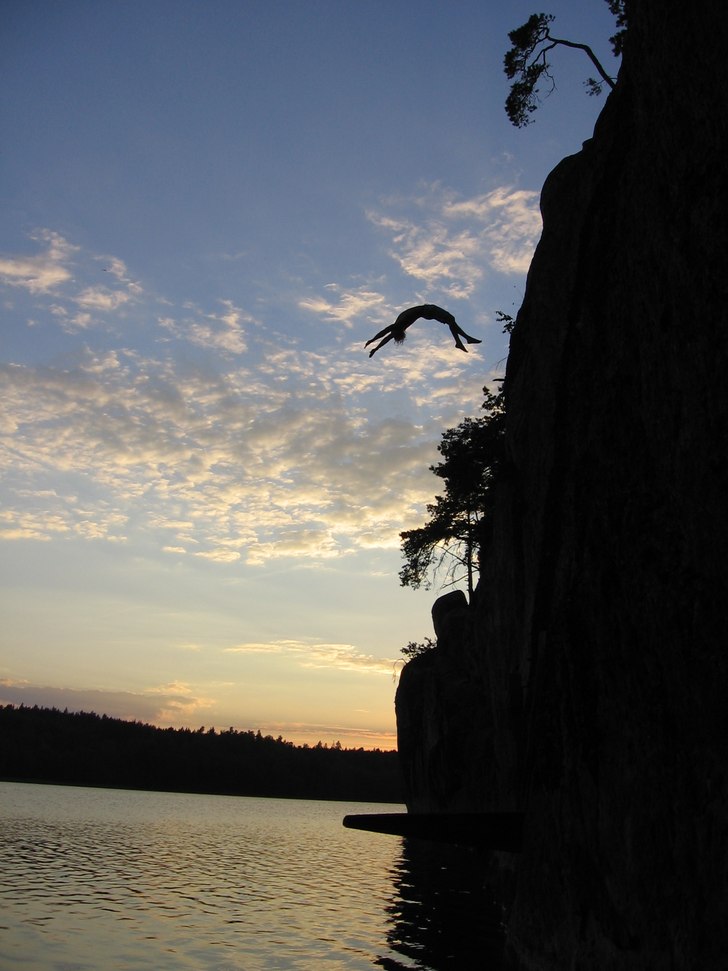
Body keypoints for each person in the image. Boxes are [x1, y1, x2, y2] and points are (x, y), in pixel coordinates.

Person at [365, 304, 482, 357]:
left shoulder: (397, 327)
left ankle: (464, 340)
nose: (392, 335)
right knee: (451, 319)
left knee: (450, 321)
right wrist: (375, 347)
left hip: (426, 312)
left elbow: (384, 335)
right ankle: (462, 341)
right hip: (427, 310)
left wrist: (373, 342)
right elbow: (386, 336)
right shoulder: (398, 326)